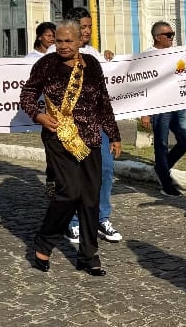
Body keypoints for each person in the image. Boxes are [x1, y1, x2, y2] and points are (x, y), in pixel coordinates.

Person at [21, 18, 120, 277]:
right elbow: (27, 95)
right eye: (59, 40)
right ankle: (44, 241)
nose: (62, 45)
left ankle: (88, 255)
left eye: (68, 41)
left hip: (90, 138)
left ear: (79, 42)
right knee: (69, 192)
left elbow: (103, 102)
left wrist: (114, 134)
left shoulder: (92, 65)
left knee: (90, 197)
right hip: (58, 137)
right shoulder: (46, 65)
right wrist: (39, 116)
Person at [57, 8, 122, 244]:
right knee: (75, 174)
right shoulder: (59, 56)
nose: (86, 31)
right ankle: (73, 222)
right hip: (71, 127)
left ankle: (101, 218)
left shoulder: (94, 54)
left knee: (105, 169)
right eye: (82, 27)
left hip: (98, 124)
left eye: (89, 27)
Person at [146, 21, 186, 198]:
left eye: (173, 34)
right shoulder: (147, 57)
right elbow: (143, 84)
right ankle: (166, 183)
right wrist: (145, 113)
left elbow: (182, 73)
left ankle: (161, 168)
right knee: (161, 144)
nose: (172, 38)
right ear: (158, 37)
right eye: (168, 35)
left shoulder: (176, 53)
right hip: (159, 106)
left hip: (178, 104)